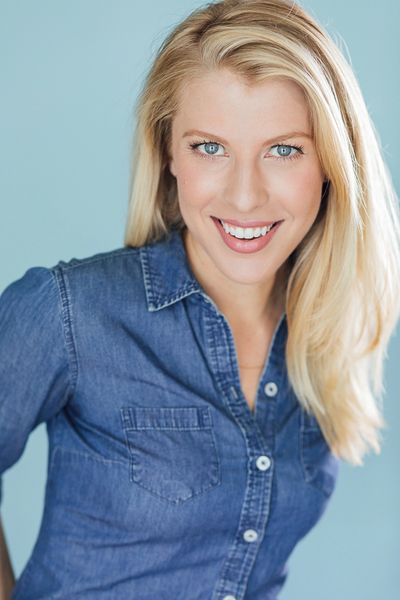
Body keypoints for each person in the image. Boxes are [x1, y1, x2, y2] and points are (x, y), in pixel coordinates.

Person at [1, 0, 399, 597]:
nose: (245, 197)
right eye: (209, 147)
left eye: (284, 149)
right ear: (168, 152)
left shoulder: (323, 333)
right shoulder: (71, 313)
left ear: (331, 162)